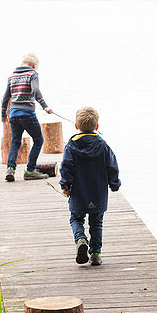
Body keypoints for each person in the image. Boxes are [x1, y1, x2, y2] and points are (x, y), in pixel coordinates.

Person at [59, 106, 121, 267]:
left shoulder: (72, 145)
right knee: (96, 222)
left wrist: (65, 184)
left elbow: (66, 166)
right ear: (97, 126)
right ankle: (95, 254)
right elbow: (112, 166)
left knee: (76, 218)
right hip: (98, 192)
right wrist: (114, 183)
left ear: (76, 126)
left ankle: (80, 239)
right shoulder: (103, 145)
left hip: (78, 192)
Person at [1, 52, 54, 182]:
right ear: (34, 65)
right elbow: (35, 90)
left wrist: (3, 114)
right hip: (27, 113)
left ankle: (11, 169)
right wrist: (45, 106)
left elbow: (6, 97)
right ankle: (30, 170)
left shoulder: (12, 76)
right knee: (38, 140)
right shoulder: (32, 74)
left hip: (13, 114)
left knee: (15, 141)